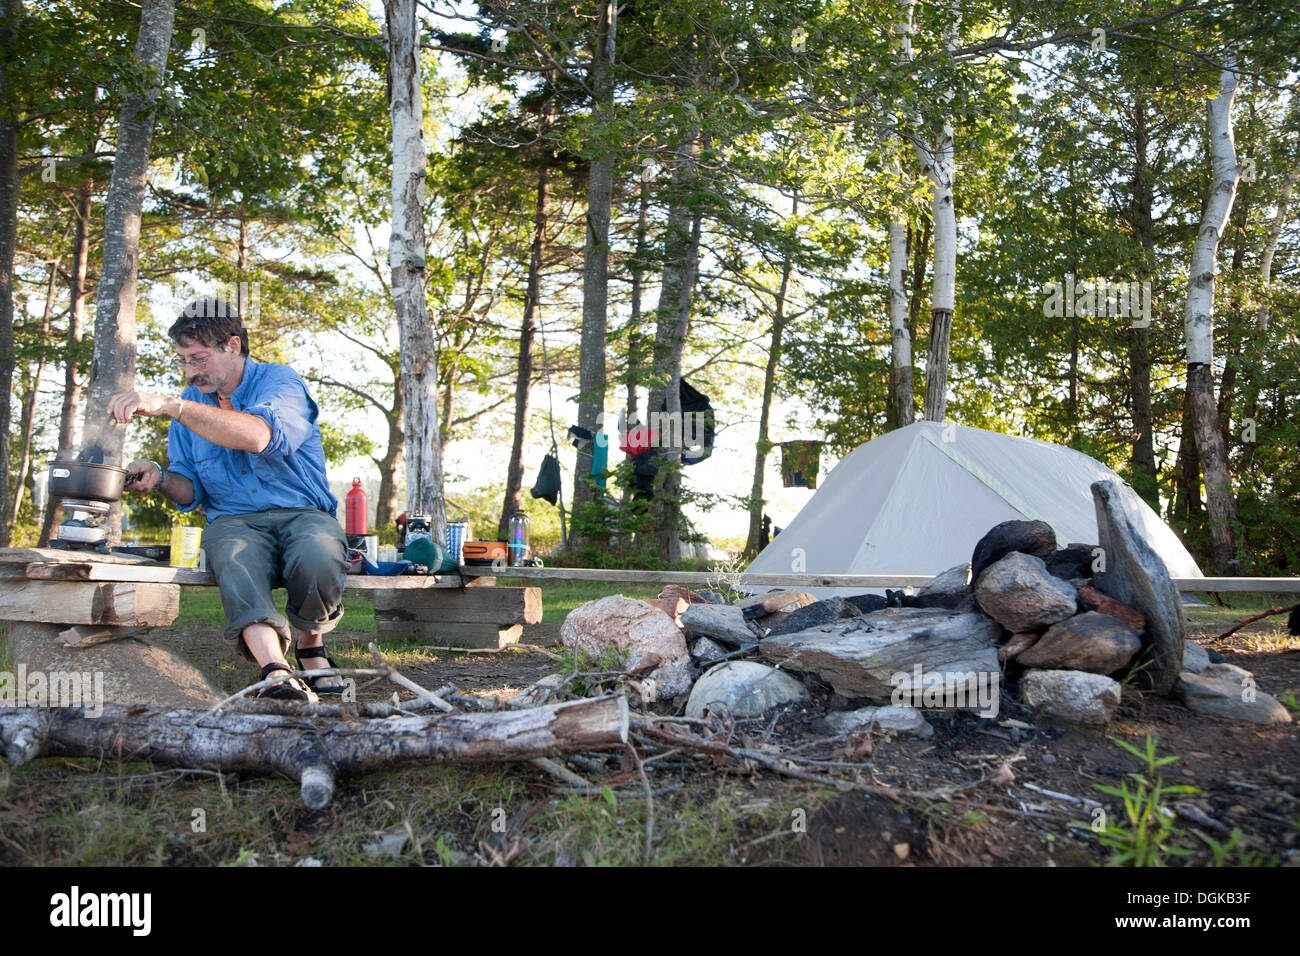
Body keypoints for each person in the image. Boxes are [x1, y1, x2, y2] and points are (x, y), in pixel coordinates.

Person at [108, 298, 347, 703]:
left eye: (198, 358)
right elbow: (190, 489)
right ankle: (275, 670)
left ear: (232, 346)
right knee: (232, 554)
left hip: (302, 511)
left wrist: (171, 407)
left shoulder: (280, 382)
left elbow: (258, 436)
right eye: (183, 360)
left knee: (319, 552)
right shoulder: (189, 405)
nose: (190, 371)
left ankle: (311, 647)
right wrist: (160, 476)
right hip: (235, 519)